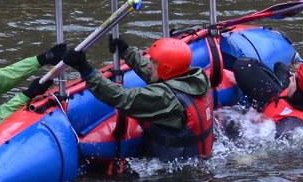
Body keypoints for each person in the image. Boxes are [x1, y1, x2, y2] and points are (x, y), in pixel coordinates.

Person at [62, 36, 214, 162]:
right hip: (195, 160)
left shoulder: (166, 99)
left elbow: (120, 97)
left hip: (178, 173)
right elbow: (157, 77)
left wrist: (86, 70)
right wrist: (127, 52)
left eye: (153, 62)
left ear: (166, 68)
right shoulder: (196, 79)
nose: (149, 66)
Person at [231, 0, 303, 139]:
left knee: (243, 65)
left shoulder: (289, 127)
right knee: (281, 67)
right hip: (298, 102)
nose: (292, 77)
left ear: (301, 89)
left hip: (280, 109)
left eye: (295, 78)